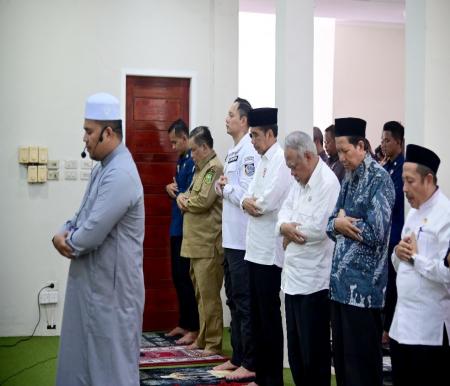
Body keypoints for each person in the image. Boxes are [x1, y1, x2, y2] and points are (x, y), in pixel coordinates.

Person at [52, 92, 145, 386]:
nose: (84, 138)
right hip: (95, 284)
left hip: (112, 292)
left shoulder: (121, 174)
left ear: (108, 132)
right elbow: (81, 216)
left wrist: (68, 241)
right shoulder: (102, 169)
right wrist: (63, 230)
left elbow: (90, 234)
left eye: (89, 131)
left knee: (111, 364)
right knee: (84, 358)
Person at [326, 117, 395, 386]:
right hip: (339, 288)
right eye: (338, 151)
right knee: (343, 365)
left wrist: (344, 222)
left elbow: (377, 233)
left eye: (345, 150)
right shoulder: (349, 178)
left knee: (362, 369)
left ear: (362, 146)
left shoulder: (381, 180)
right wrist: (341, 222)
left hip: (364, 291)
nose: (341, 157)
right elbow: (330, 225)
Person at [277, 131, 340, 386]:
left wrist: (290, 230)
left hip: (315, 282)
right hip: (292, 279)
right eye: (289, 166)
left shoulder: (328, 183)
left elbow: (319, 227)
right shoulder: (298, 181)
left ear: (309, 156)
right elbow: (283, 212)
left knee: (314, 354)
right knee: (296, 354)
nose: (291, 172)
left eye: (294, 165)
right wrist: (285, 228)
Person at [389, 144, 450, 386]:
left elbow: (447, 274)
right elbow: (400, 265)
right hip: (401, 325)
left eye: (409, 181)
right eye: (403, 180)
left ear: (428, 179)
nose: (404, 188)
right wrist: (398, 252)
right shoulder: (413, 213)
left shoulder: (445, 215)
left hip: (428, 330)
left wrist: (416, 258)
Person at [241, 107, 292, 386]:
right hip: (254, 248)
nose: (253, 141)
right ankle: (261, 376)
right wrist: (248, 202)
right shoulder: (262, 160)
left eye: (256, 136)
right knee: (257, 316)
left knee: (269, 318)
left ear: (271, 134)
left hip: (270, 252)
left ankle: (273, 379)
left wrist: (250, 203)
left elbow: (267, 202)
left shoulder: (281, 160)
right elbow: (248, 196)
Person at [213, 98, 259, 381]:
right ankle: (238, 356)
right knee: (232, 298)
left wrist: (226, 188)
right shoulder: (232, 152)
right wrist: (222, 188)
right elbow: (229, 190)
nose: (226, 119)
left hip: (243, 239)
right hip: (229, 237)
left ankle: (250, 362)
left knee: (244, 302)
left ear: (244, 120)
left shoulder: (249, 151)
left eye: (231, 115)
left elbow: (246, 194)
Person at [176, 126, 224, 355]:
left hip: (207, 243)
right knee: (200, 297)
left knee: (210, 297)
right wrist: (184, 197)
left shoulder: (212, 169)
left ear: (205, 147)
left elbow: (203, 200)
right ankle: (204, 338)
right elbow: (188, 193)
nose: (191, 154)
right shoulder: (200, 169)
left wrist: (184, 201)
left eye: (194, 150)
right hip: (196, 243)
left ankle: (214, 342)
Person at [165, 119, 199, 345]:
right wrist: (169, 189)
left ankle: (194, 328)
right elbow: (178, 189)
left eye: (175, 142)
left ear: (185, 138)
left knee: (187, 279)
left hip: (188, 228)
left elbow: (188, 194)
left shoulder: (194, 162)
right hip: (176, 226)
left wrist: (175, 193)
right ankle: (183, 322)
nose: (173, 147)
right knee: (177, 277)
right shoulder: (181, 160)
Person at [380, 121, 405, 345]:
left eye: (388, 140)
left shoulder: (401, 168)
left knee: (395, 285)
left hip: (396, 235)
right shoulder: (387, 166)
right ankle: (386, 326)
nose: (383, 144)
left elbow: (392, 199)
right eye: (382, 140)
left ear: (399, 141)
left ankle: (389, 328)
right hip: (385, 234)